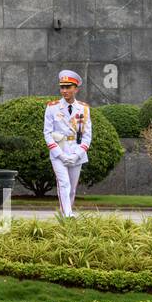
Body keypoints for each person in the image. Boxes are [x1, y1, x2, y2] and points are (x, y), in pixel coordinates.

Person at [44, 70, 91, 218]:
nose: (64, 90)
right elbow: (47, 133)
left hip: (76, 152)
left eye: (68, 87)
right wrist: (60, 154)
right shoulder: (52, 107)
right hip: (59, 152)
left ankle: (66, 215)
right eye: (62, 87)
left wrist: (78, 154)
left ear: (75, 89)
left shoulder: (84, 108)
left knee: (72, 189)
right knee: (64, 184)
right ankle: (68, 215)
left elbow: (87, 135)